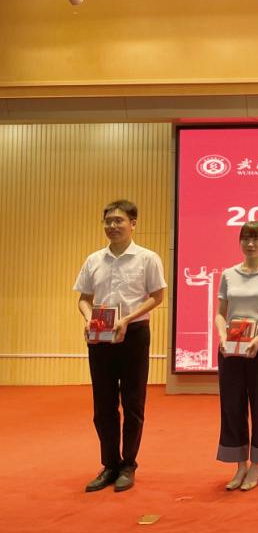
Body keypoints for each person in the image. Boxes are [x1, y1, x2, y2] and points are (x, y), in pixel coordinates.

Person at [74, 199, 167, 493]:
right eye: (108, 221)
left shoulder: (147, 258)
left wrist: (127, 318)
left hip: (134, 333)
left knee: (133, 402)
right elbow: (84, 298)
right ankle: (109, 464)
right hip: (100, 335)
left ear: (133, 224)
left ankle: (128, 464)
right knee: (103, 404)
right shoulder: (93, 260)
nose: (113, 226)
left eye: (119, 221)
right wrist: (88, 319)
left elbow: (157, 296)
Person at [214, 221, 258, 491]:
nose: (250, 243)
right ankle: (240, 465)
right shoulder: (228, 274)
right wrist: (222, 336)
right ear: (240, 242)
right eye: (245, 238)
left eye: (256, 238)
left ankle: (256, 464)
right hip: (231, 348)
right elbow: (220, 313)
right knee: (232, 406)